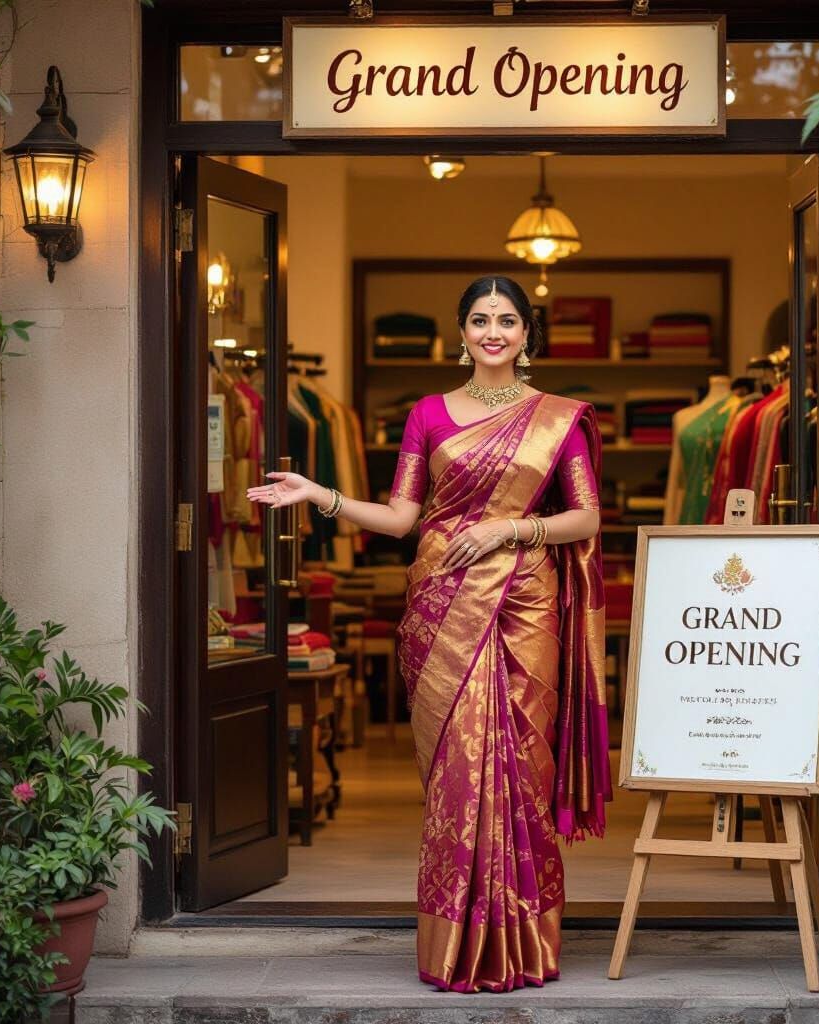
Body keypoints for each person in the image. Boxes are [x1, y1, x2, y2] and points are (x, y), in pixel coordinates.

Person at [247, 275, 612, 993]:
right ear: (461, 331)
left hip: (526, 602)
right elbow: (401, 518)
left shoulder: (559, 418)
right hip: (443, 603)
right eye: (480, 319)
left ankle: (524, 942)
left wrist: (511, 526)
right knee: (457, 774)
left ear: (527, 333)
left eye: (508, 320)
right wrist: (318, 494)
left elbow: (588, 518)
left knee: (523, 771)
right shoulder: (428, 415)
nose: (494, 332)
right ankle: (455, 942)